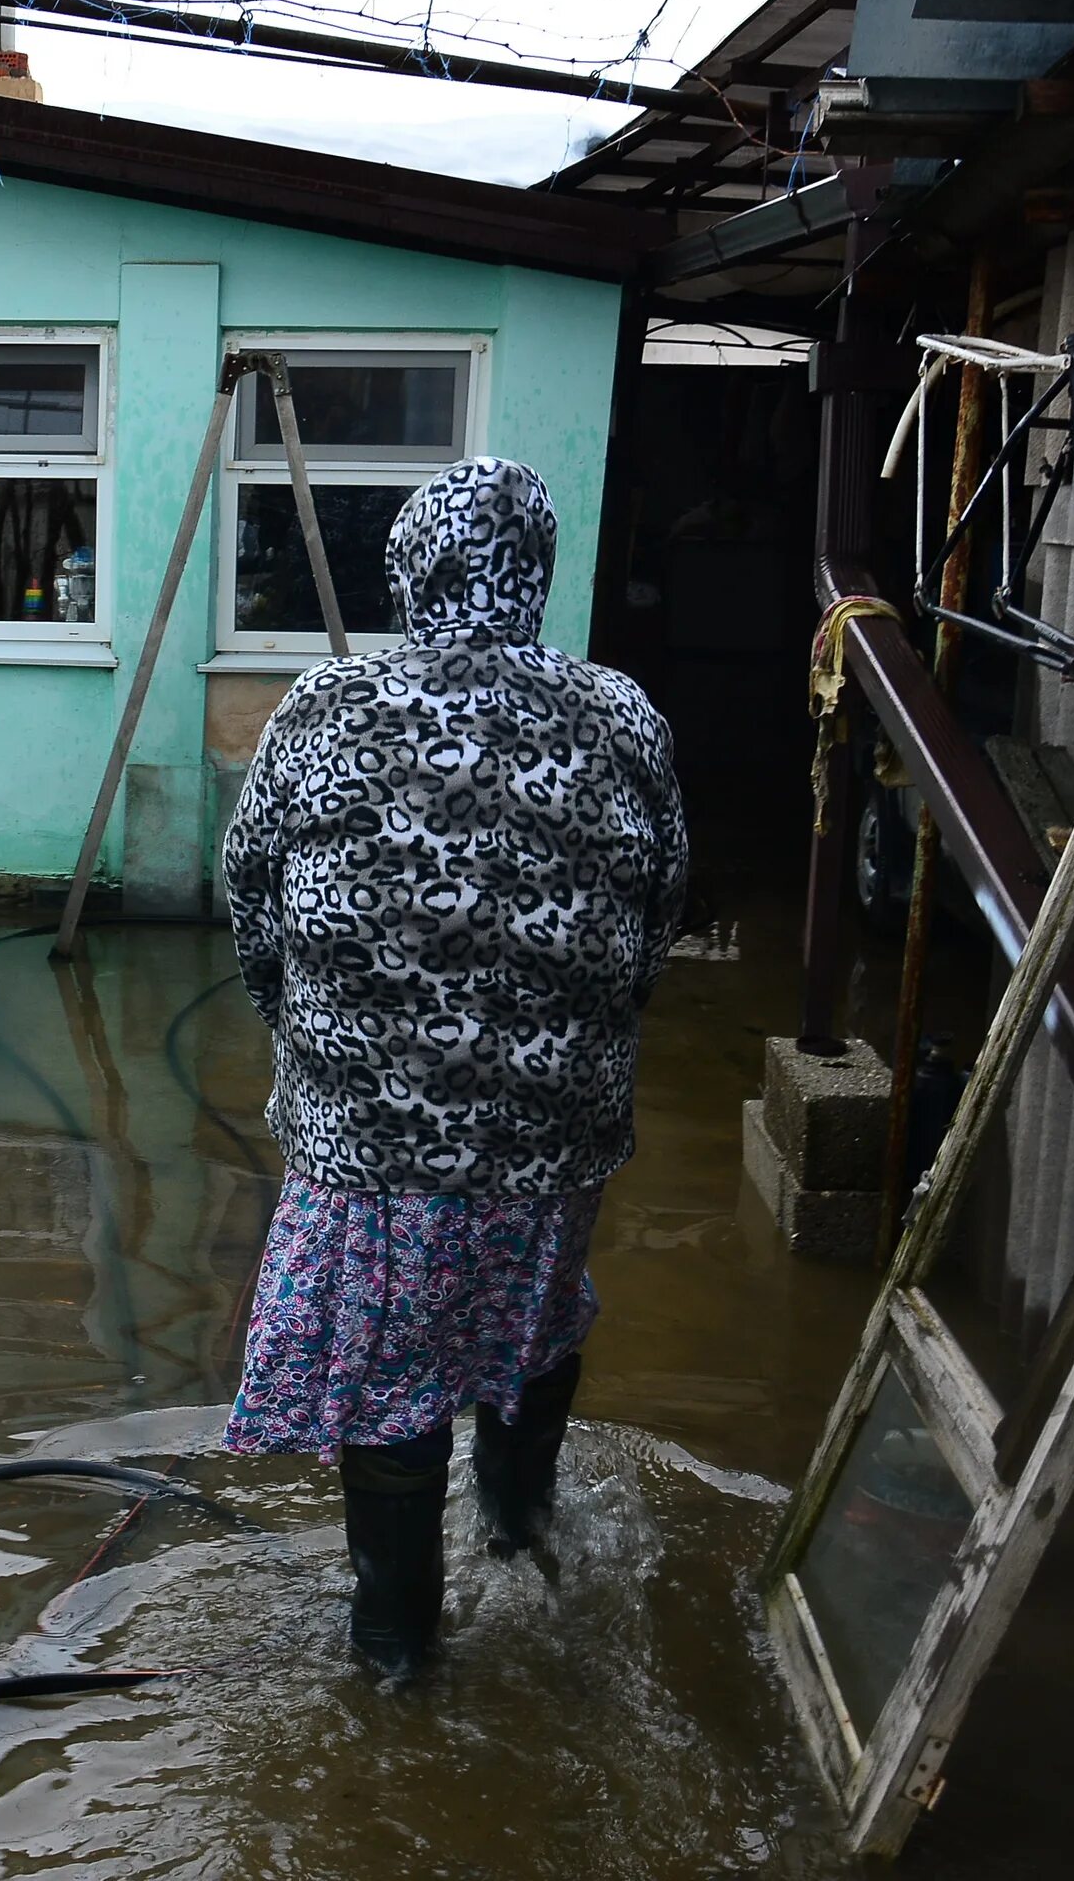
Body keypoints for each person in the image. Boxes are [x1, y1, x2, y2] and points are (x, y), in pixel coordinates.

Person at [220, 456, 689, 1678]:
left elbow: (252, 911)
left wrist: (313, 1045)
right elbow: (658, 921)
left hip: (367, 1144)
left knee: (389, 1382)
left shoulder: (322, 709)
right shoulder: (622, 714)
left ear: (408, 568)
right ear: (536, 573)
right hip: (556, 1136)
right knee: (530, 1321)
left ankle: (393, 1656)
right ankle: (522, 1536)